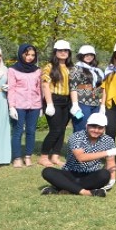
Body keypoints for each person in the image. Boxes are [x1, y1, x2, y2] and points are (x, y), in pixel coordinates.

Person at [40, 113, 116, 197]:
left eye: (100, 128)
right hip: (70, 173)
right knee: (47, 171)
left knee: (105, 174)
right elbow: (81, 158)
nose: (96, 130)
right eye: (93, 126)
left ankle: (66, 188)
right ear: (87, 125)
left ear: (104, 128)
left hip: (90, 175)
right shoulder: (76, 137)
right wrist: (107, 152)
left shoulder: (108, 140)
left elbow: (110, 162)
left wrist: (112, 179)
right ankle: (86, 192)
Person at [39, 39, 73, 167]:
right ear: (55, 52)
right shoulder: (49, 66)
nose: (63, 53)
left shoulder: (70, 67)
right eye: (60, 50)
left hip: (67, 101)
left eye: (66, 50)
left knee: (62, 129)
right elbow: (45, 86)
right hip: (54, 100)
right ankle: (43, 156)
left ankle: (55, 156)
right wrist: (50, 104)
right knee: (55, 130)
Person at [8, 44, 42, 168]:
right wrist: (11, 106)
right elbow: (11, 89)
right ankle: (17, 157)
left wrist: (41, 106)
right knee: (18, 131)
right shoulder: (12, 70)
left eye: (32, 55)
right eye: (27, 54)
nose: (30, 57)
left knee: (31, 131)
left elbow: (39, 88)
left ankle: (28, 156)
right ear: (21, 54)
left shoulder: (37, 70)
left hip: (34, 105)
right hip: (19, 105)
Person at [69, 45, 104, 133]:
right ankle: (77, 146)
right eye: (86, 55)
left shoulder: (95, 70)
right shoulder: (76, 68)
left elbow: (99, 85)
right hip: (81, 103)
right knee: (81, 126)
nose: (89, 57)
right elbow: (73, 87)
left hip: (95, 103)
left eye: (91, 55)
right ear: (81, 55)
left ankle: (91, 147)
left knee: (94, 127)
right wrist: (75, 104)